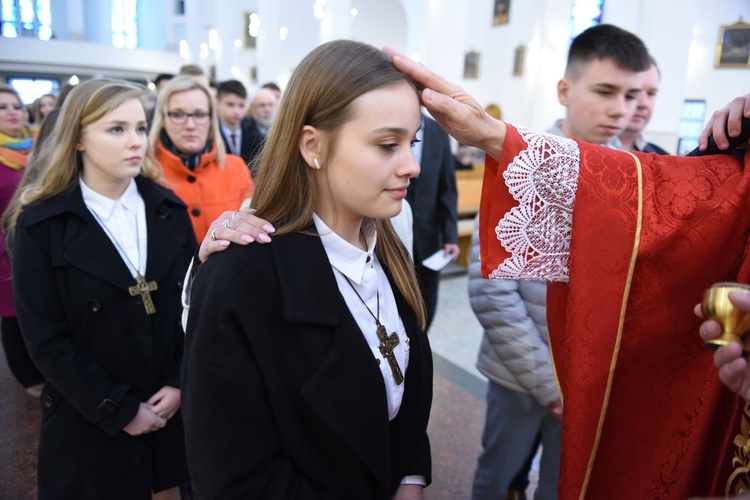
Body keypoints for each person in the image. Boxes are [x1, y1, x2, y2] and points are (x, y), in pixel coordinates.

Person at [385, 45, 750, 498]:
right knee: (497, 477)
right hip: (520, 373)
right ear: (564, 90)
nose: (624, 108)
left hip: (593, 379)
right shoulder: (527, 171)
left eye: (637, 95)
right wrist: (552, 381)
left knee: (562, 482)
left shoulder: (652, 169)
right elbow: (492, 291)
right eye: (605, 91)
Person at [181, 39, 433, 499]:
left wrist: (411, 476)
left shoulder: (390, 242)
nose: (412, 166)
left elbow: (401, 386)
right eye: (387, 144)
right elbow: (233, 475)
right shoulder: (243, 276)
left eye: (412, 142)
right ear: (313, 145)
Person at [4, 79, 195, 499]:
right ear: (77, 139)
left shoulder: (168, 209)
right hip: (89, 418)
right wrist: (120, 408)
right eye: (116, 129)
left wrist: (179, 380)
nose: (135, 142)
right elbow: (46, 340)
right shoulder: (42, 224)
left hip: (168, 408)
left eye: (141, 128)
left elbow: (192, 309)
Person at [149, 75, 253, 240]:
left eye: (199, 114)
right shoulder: (145, 172)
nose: (190, 125)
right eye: (177, 114)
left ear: (211, 119)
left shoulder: (236, 169)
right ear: (163, 118)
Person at [0, 85, 45, 397]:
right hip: (2, 246)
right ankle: (28, 376)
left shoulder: (41, 146)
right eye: (2, 107)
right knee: (12, 310)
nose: (12, 112)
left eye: (15, 105)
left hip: (39, 238)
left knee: (41, 306)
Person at [407, 113, 459, 330]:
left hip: (429, 234)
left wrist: (450, 236)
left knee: (428, 301)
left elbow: (447, 187)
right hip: (390, 231)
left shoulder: (438, 131)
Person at [618, 58, 669, 154]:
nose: (644, 104)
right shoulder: (583, 157)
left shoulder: (663, 159)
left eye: (651, 93)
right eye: (633, 92)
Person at [216, 79, 257, 167]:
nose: (236, 111)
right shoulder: (209, 136)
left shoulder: (255, 135)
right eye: (230, 104)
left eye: (241, 105)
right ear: (218, 103)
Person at [243, 87, 279, 176]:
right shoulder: (244, 135)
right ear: (251, 110)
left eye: (271, 104)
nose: (267, 109)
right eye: (262, 105)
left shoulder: (284, 132)